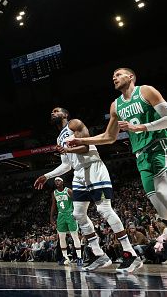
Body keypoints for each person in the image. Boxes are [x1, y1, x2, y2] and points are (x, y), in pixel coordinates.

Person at [35, 107, 143, 273]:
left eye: (56, 111)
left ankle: (131, 254)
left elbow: (85, 147)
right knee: (78, 214)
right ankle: (99, 255)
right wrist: (47, 176)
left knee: (104, 209)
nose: (53, 113)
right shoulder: (59, 138)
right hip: (79, 173)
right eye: (51, 112)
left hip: (93, 167)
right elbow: (66, 165)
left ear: (65, 114)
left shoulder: (74, 124)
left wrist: (68, 149)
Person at [68, 68, 167, 220]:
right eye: (113, 76)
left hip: (158, 146)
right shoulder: (115, 105)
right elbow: (109, 137)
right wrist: (82, 140)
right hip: (141, 156)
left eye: (119, 74)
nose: (114, 78)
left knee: (162, 192)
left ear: (131, 77)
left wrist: (142, 127)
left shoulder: (146, 91)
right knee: (160, 207)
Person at [48, 177, 82, 266]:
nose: (57, 182)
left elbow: (76, 202)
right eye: (55, 181)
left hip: (70, 214)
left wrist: (76, 213)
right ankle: (65, 257)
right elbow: (53, 205)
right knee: (61, 237)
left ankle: (79, 257)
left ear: (62, 182)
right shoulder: (54, 193)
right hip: (61, 215)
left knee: (74, 236)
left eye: (58, 180)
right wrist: (51, 217)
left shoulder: (68, 191)